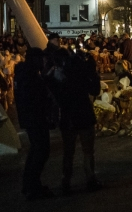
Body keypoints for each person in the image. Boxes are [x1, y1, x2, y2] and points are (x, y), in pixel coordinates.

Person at [47, 48, 102, 195]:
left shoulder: (57, 77)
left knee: (68, 152)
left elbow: (53, 93)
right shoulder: (80, 72)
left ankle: (66, 181)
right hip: (84, 114)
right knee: (88, 151)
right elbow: (95, 90)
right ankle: (90, 179)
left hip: (68, 118)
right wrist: (92, 72)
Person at [14, 47, 55, 200]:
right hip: (35, 119)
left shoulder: (24, 74)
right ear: (35, 59)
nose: (44, 62)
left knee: (37, 151)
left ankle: (31, 184)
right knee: (40, 151)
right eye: (42, 59)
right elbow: (34, 98)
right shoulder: (29, 76)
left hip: (31, 119)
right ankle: (32, 186)